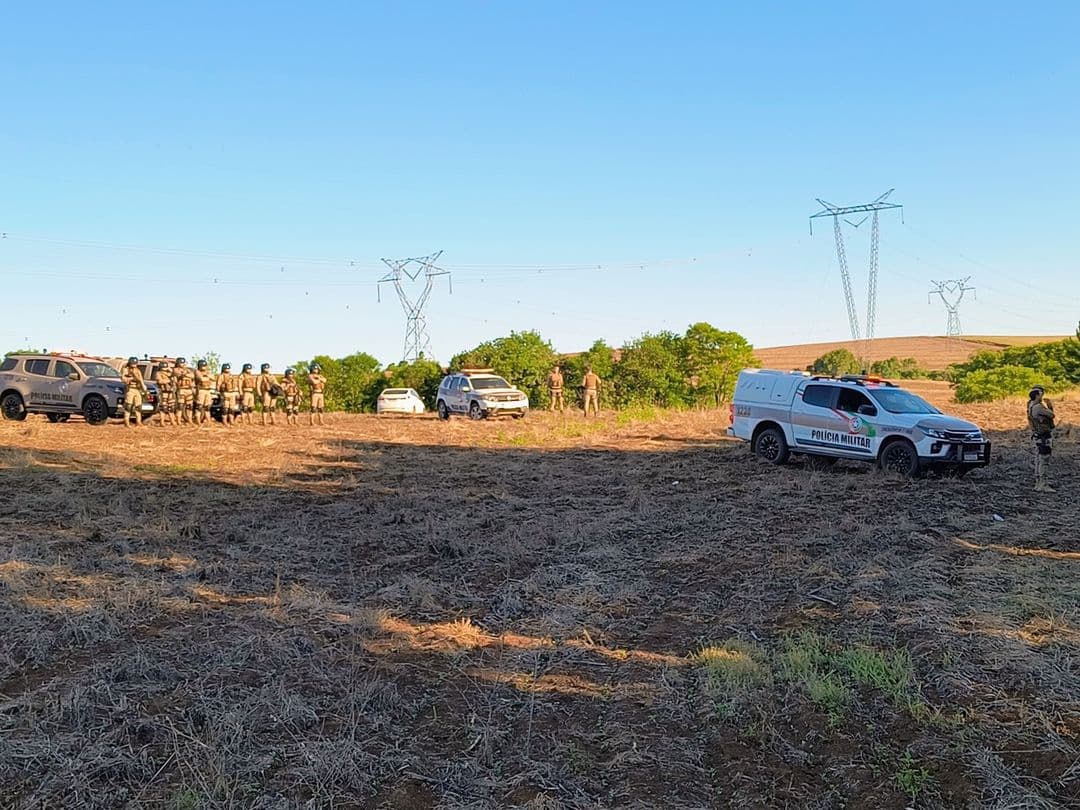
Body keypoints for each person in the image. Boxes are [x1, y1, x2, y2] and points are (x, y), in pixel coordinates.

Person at [1027, 385, 1056, 493]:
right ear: (1037, 395)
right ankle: (1043, 484)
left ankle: (1038, 483)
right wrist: (1049, 405)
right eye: (1040, 393)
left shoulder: (1030, 405)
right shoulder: (1038, 407)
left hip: (1037, 436)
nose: (1042, 395)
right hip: (1044, 436)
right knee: (1044, 460)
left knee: (1039, 460)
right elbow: (1052, 415)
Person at [120, 356, 149, 427]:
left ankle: (138, 422)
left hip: (137, 389)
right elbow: (123, 379)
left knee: (138, 406)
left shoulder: (137, 370)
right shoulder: (126, 370)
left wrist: (144, 389)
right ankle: (126, 422)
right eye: (133, 363)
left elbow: (141, 380)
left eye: (135, 363)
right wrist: (132, 378)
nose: (134, 364)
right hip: (130, 389)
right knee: (128, 406)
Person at [153, 360, 177, 427]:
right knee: (163, 407)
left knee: (171, 408)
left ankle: (172, 421)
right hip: (163, 392)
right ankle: (162, 422)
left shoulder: (170, 374)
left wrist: (170, 370)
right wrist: (168, 380)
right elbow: (160, 381)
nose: (164, 369)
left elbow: (175, 379)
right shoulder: (158, 373)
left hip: (171, 392)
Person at [174, 357, 195, 425]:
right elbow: (179, 375)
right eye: (181, 363)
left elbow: (192, 376)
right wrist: (185, 374)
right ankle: (178, 420)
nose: (182, 364)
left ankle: (189, 419)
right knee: (180, 406)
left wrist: (185, 373)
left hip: (189, 389)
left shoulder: (188, 370)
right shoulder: (175, 370)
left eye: (183, 362)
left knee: (190, 406)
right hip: (181, 390)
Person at [194, 359, 215, 425]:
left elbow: (213, 378)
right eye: (202, 366)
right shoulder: (197, 372)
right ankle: (198, 420)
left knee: (207, 407)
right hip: (201, 390)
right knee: (199, 406)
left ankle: (208, 421)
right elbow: (201, 379)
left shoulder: (208, 372)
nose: (204, 367)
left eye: (205, 366)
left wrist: (207, 376)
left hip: (208, 390)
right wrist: (208, 377)